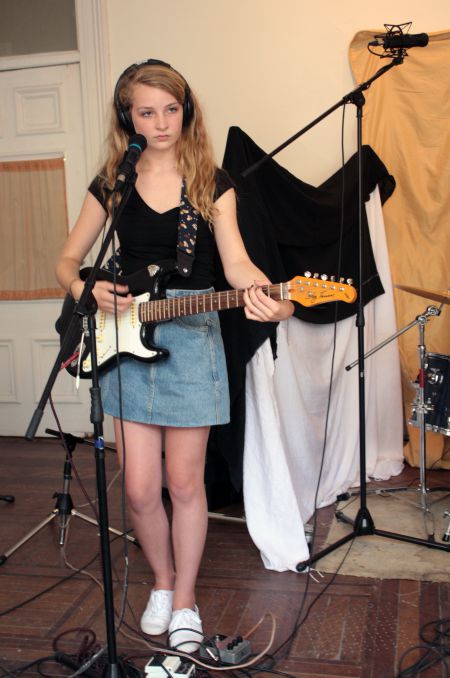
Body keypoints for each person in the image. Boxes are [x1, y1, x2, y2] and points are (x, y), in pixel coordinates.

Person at [55, 59, 294, 653]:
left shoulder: (211, 182)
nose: (161, 123)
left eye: (170, 109)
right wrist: (86, 287)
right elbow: (66, 259)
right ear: (127, 118)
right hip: (125, 338)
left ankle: (183, 597)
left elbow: (236, 264)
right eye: (146, 112)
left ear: (186, 111)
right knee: (138, 489)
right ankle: (160, 581)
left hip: (191, 337)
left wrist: (270, 295)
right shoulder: (112, 181)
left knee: (184, 483)